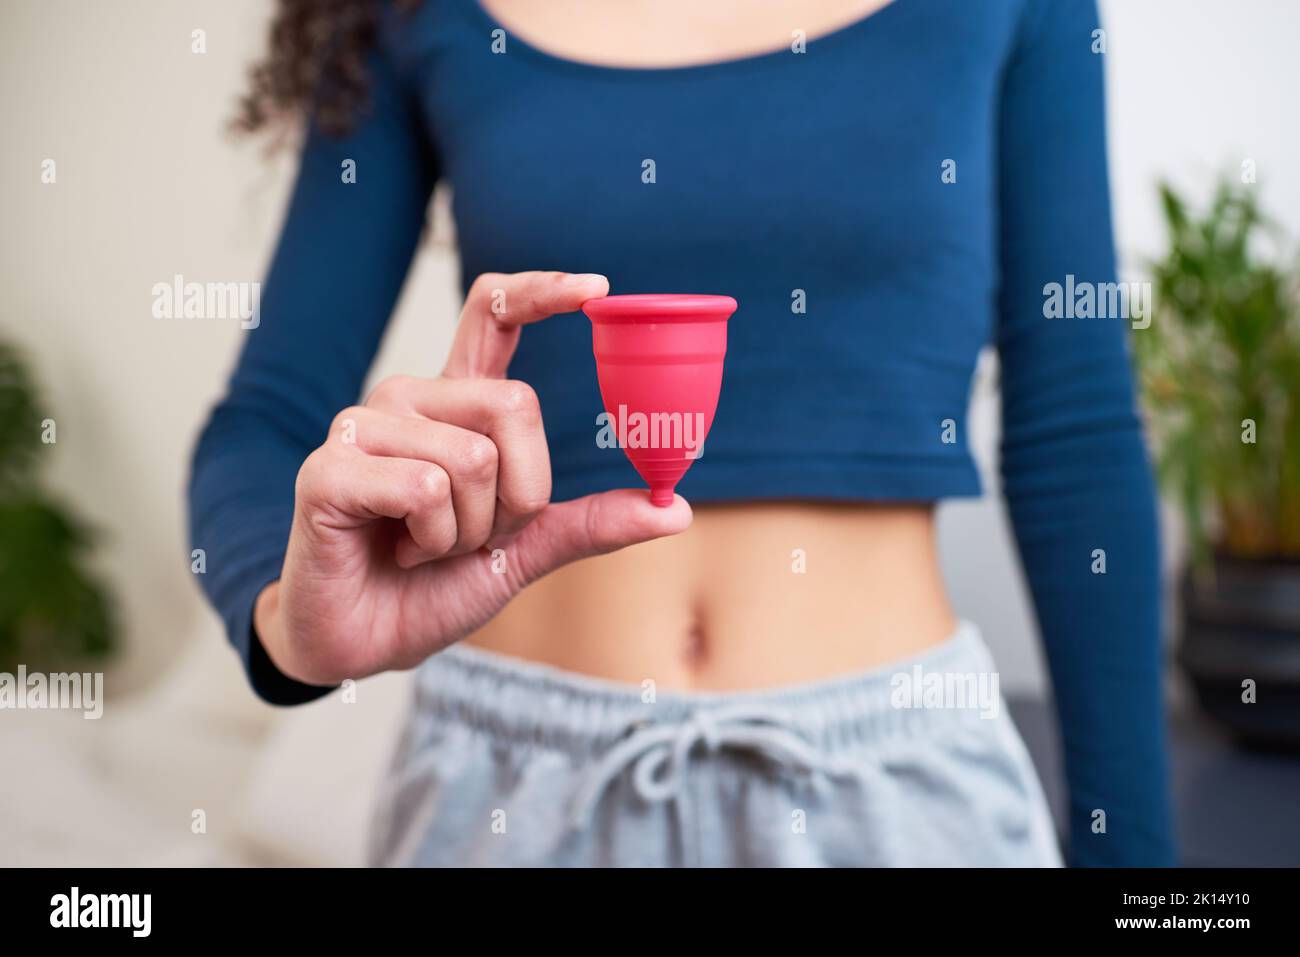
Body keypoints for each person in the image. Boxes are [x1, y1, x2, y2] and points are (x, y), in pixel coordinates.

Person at [189, 0, 1175, 866]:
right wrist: (288, 627)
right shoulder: (406, 11)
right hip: (506, 797)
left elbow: (1077, 430)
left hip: (900, 787)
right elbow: (262, 420)